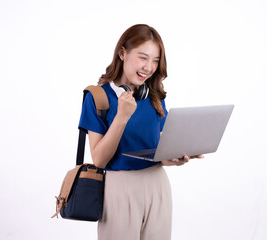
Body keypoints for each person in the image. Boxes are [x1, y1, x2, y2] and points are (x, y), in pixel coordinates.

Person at [78, 24, 203, 240]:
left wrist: (173, 157)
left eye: (155, 60)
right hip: (119, 188)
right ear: (122, 53)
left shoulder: (154, 96)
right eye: (143, 57)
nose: (149, 67)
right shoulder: (98, 97)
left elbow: (159, 147)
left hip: (158, 186)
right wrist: (122, 116)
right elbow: (98, 160)